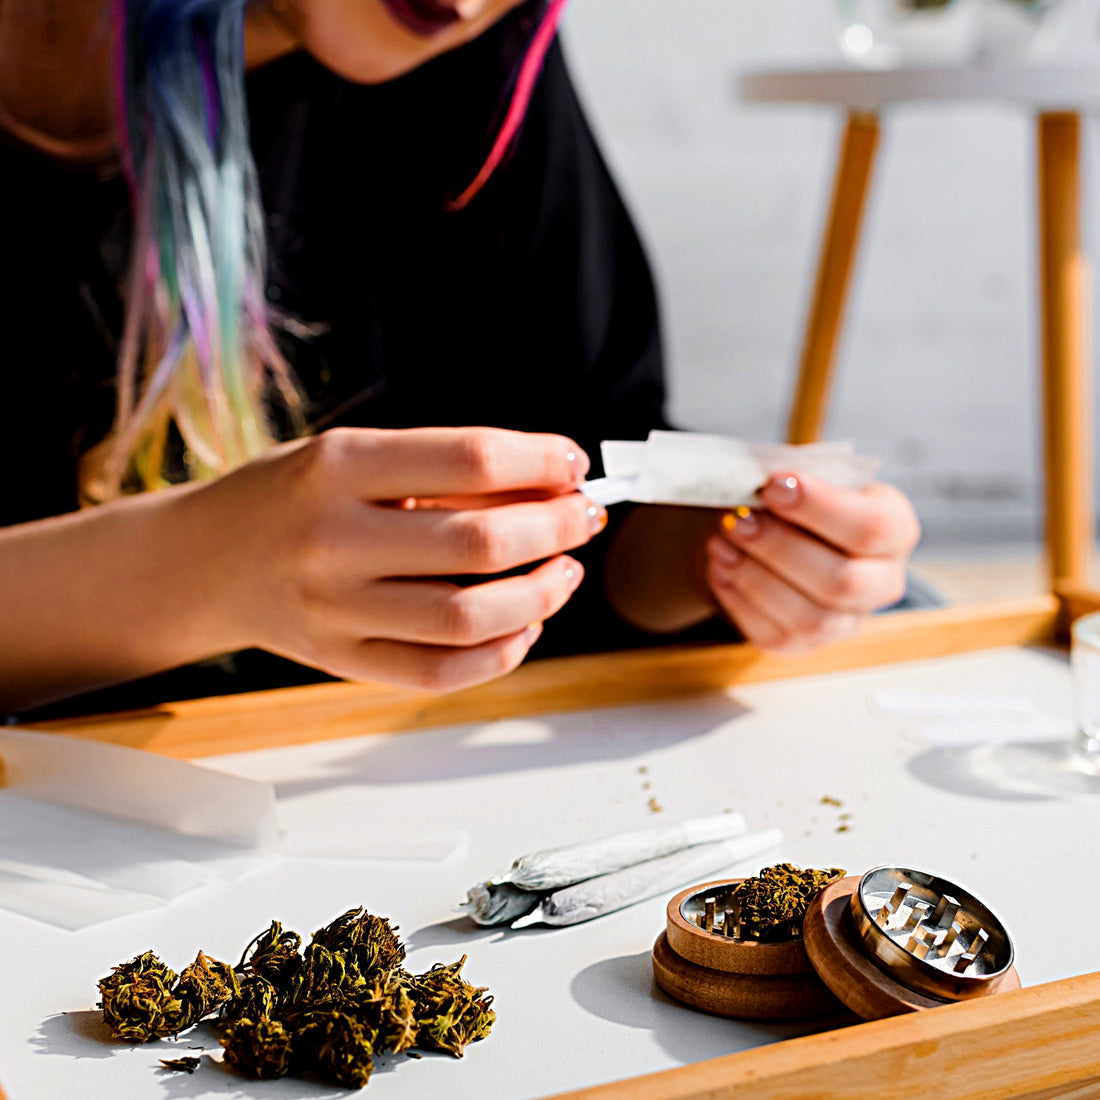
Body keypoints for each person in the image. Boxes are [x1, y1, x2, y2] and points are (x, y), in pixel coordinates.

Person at [0, 0, 920, 719]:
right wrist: (204, 569)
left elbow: (597, 468)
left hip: (395, 791)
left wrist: (727, 552)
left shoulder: (468, 60)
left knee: (912, 606)